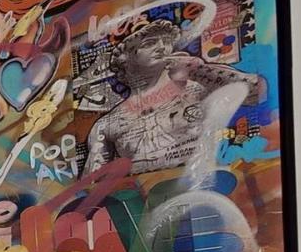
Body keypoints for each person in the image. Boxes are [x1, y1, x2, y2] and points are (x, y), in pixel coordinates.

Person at [83, 21, 265, 175]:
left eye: (167, 42)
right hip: (149, 200)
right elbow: (91, 186)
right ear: (125, 58)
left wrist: (198, 71)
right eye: (149, 43)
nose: (162, 47)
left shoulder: (199, 88)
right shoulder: (107, 124)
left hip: (209, 188)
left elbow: (257, 92)